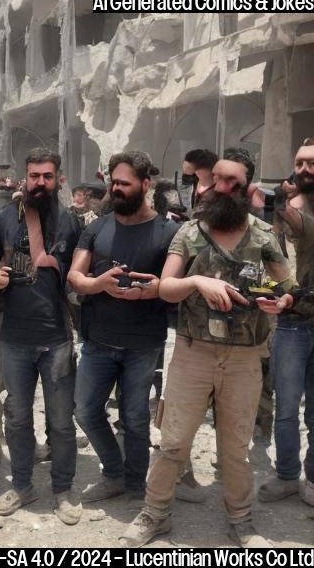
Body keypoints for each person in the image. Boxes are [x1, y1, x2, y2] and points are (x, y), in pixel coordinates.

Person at [120, 148, 295, 548]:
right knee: (174, 441)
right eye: (218, 178)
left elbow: (287, 288)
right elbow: (165, 288)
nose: (223, 186)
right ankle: (155, 513)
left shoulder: (263, 235)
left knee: (235, 447)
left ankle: (241, 521)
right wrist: (199, 283)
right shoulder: (190, 233)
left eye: (233, 181)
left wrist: (278, 301)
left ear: (246, 187)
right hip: (193, 352)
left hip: (244, 358)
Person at [0, 148, 83, 525]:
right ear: (25, 178)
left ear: (58, 180)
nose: (40, 182)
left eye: (47, 177)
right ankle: (22, 485)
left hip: (57, 338)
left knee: (60, 421)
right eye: (34, 176)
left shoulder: (71, 223)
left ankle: (63, 490)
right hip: (14, 338)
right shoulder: (2, 220)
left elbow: (81, 273)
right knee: (18, 417)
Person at [68, 151, 179, 503]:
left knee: (134, 418)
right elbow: (74, 276)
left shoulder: (168, 232)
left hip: (143, 344)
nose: (116, 189)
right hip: (98, 340)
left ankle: (135, 485)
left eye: (124, 183)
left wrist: (152, 291)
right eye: (113, 182)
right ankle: (114, 472)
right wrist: (98, 283)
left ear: (145, 185)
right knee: (85, 410)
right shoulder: (97, 227)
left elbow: (175, 288)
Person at [259, 138, 314, 505]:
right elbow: (268, 259)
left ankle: (311, 480)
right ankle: (286, 475)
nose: (304, 169)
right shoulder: (278, 212)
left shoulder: (287, 209)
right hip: (291, 325)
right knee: (286, 407)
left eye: (312, 163)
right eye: (300, 162)